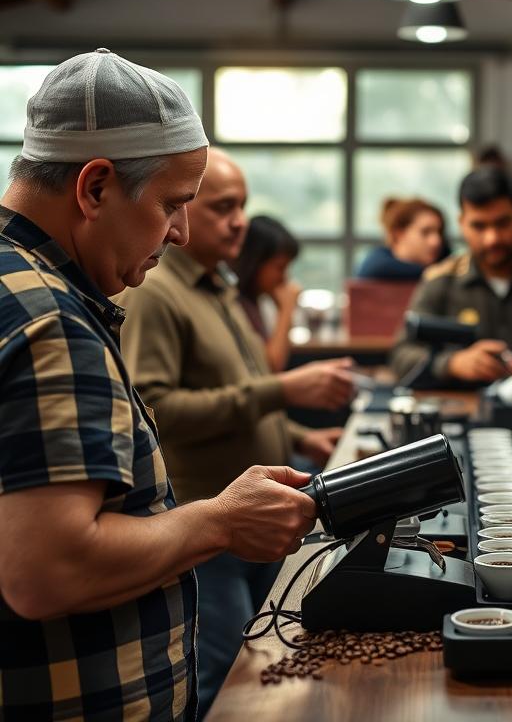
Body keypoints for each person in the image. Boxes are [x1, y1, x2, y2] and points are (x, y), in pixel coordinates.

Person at [0, 50, 316, 721]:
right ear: (94, 187)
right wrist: (220, 519)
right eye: (174, 204)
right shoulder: (51, 318)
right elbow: (47, 569)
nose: (180, 231)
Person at [117, 147, 355, 717]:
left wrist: (295, 429)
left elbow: (238, 386)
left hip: (255, 513)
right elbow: (155, 408)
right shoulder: (156, 291)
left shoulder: (216, 285)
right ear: (180, 211)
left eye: (243, 207)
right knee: (218, 670)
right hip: (208, 517)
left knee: (259, 656)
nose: (239, 221)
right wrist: (284, 393)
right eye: (222, 207)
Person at [391, 164, 512, 388]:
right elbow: (401, 355)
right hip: (462, 411)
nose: (492, 238)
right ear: (462, 223)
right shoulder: (440, 282)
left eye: (502, 223)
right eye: (479, 226)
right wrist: (453, 363)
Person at [232, 214, 301, 372]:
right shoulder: (236, 303)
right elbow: (270, 368)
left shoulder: (257, 301)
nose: (284, 277)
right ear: (255, 262)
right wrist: (287, 309)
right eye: (280, 267)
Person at [356, 197, 446, 281]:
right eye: (425, 232)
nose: (436, 241)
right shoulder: (377, 263)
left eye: (440, 232)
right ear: (399, 235)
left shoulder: (444, 260)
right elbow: (375, 267)